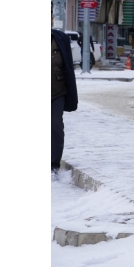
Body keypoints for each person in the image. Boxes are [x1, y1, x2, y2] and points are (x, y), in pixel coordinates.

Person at [52, 28, 78, 174]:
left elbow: (68, 66)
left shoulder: (61, 38)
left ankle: (52, 166)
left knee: (55, 125)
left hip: (57, 91)